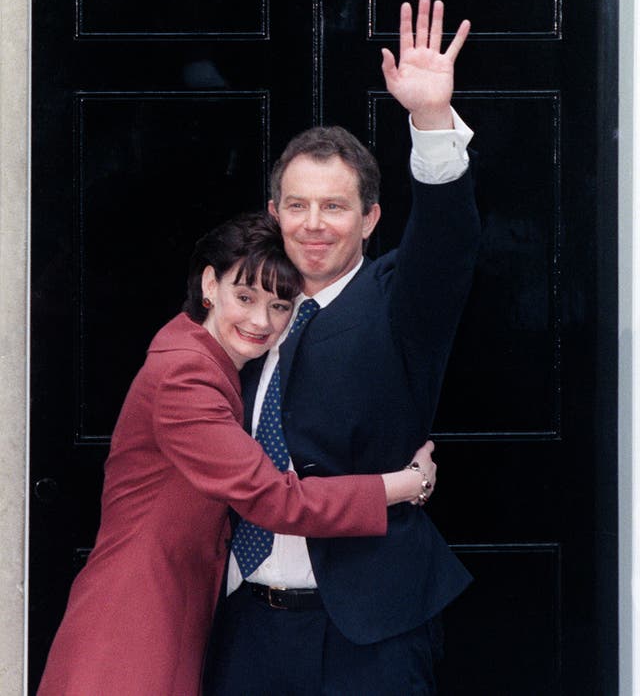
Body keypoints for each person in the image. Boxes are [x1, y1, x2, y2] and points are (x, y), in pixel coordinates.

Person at [37, 211, 437, 696]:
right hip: (134, 614)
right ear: (210, 283)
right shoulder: (186, 376)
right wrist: (407, 482)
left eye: (279, 306)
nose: (258, 321)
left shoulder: (214, 361)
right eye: (244, 297)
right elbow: (275, 501)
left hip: (180, 607)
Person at [206, 0, 481, 695]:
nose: (313, 224)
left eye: (334, 206)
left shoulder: (399, 300)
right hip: (245, 622)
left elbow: (447, 240)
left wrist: (429, 118)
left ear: (370, 218)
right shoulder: (242, 316)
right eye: (296, 205)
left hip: (370, 633)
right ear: (273, 214)